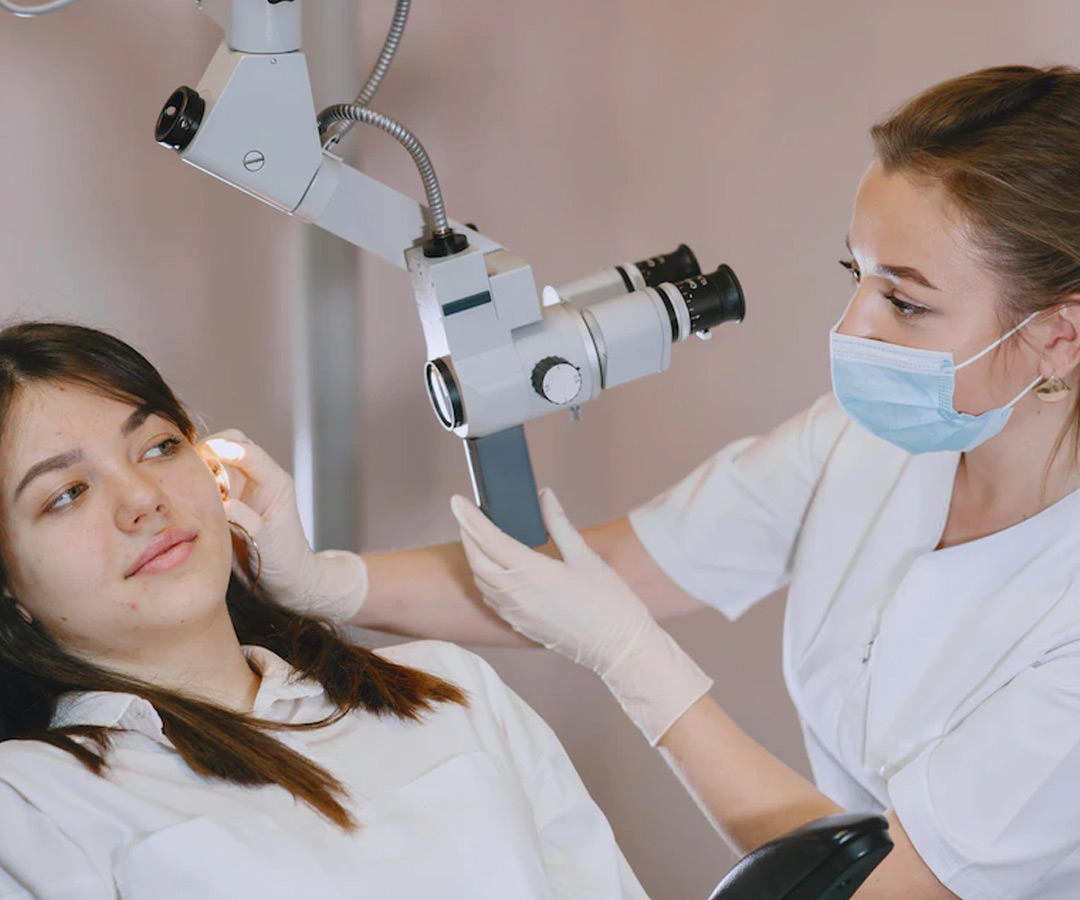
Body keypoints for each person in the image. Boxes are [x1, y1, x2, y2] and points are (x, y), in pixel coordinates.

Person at [222, 65, 1080, 900]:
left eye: (907, 302)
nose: (851, 328)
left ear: (1060, 336)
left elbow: (893, 887)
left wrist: (634, 661)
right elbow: (577, 579)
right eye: (855, 277)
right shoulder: (865, 444)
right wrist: (323, 582)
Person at [0, 323, 649, 900]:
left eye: (159, 446)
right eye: (67, 494)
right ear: (10, 589)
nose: (143, 498)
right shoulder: (31, 803)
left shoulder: (450, 690)